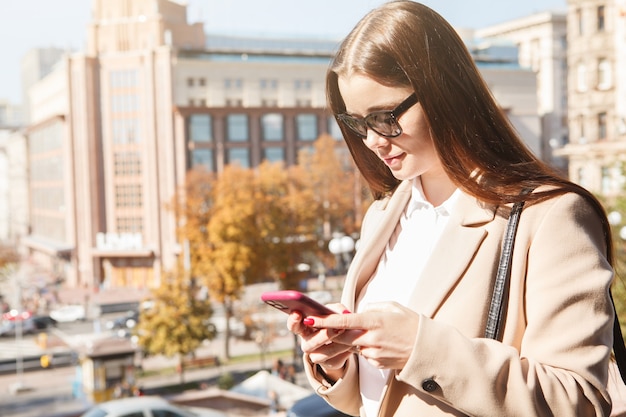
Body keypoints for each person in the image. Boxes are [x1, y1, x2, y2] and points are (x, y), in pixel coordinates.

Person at [286, 1, 617, 416]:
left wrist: (420, 348)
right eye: (356, 123)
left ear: (443, 93)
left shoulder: (550, 216)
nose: (372, 141)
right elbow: (381, 400)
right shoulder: (383, 216)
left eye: (385, 117)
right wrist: (337, 365)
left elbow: (578, 400)